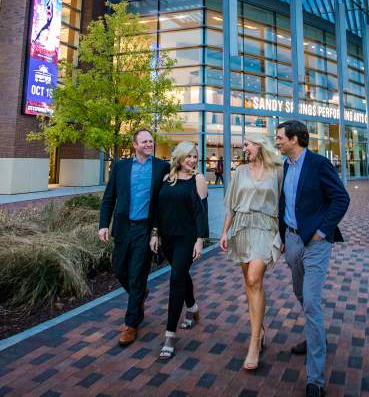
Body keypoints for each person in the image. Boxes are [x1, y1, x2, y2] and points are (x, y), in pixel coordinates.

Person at [275, 120, 350, 397]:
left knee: (312, 303)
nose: (277, 142)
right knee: (300, 295)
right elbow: (286, 202)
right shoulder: (286, 165)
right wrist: (283, 237)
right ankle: (314, 335)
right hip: (292, 241)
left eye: (280, 138)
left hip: (316, 244)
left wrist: (322, 231)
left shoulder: (318, 164)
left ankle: (315, 379)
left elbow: (341, 198)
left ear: (295, 139)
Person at [98, 129, 170, 346]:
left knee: (137, 274)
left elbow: (166, 197)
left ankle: (131, 324)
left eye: (151, 141)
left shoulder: (161, 167)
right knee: (119, 269)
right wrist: (103, 224)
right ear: (135, 145)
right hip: (122, 227)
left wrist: (157, 231)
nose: (149, 144)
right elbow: (109, 197)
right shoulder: (120, 167)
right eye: (145, 141)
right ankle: (139, 294)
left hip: (145, 230)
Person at [219, 134, 283, 370]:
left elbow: (284, 203)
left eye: (247, 144)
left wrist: (283, 234)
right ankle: (260, 329)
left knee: (255, 278)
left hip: (266, 228)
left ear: (259, 145)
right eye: (244, 144)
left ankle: (254, 343)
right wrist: (225, 232)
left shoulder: (277, 170)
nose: (244, 148)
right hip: (242, 228)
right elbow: (231, 205)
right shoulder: (241, 171)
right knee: (249, 282)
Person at [150, 142, 208, 360]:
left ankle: (170, 335)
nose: (193, 160)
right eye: (189, 156)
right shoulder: (167, 178)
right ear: (180, 157)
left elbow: (202, 213)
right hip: (167, 238)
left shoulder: (198, 180)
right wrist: (154, 234)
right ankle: (192, 307)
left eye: (195, 156)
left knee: (176, 279)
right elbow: (157, 208)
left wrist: (200, 240)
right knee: (181, 274)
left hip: (187, 238)